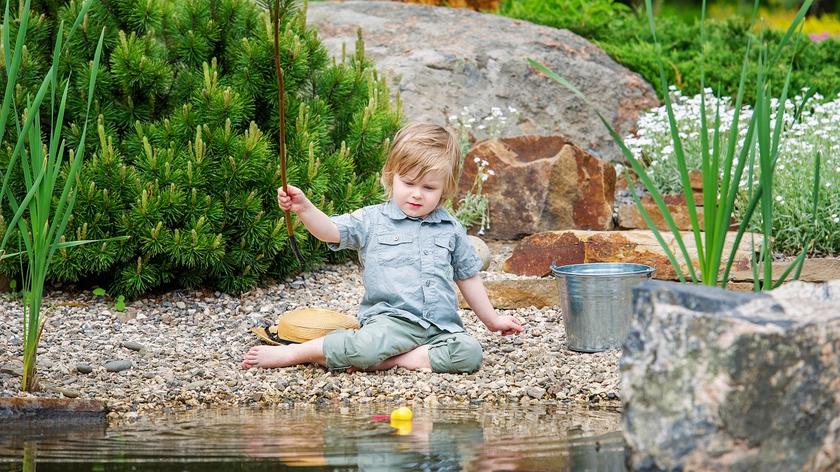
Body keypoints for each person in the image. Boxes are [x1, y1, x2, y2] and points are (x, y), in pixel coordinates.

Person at [241, 123, 523, 373]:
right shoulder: (373, 220)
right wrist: (305, 209)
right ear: (391, 176)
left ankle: (394, 360)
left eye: (428, 187)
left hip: (440, 327)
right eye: (408, 182)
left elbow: (468, 277)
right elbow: (330, 231)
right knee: (365, 348)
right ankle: (296, 352)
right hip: (390, 324)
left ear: (445, 189)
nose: (416, 193)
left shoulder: (451, 228)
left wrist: (493, 320)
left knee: (469, 354)